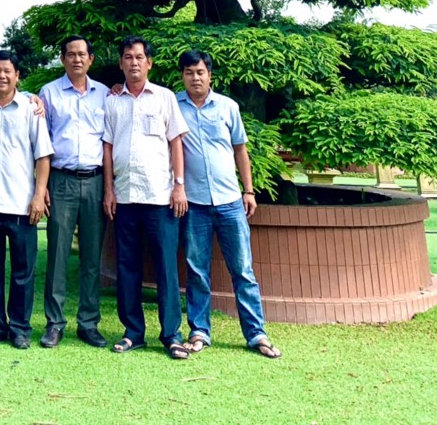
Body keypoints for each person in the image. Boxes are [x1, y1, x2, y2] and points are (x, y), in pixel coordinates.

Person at [176, 50, 281, 359]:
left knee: (243, 270)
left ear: (210, 75)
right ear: (182, 76)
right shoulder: (173, 106)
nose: (195, 78)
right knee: (196, 271)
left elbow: (240, 150)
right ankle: (199, 331)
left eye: (200, 72)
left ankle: (256, 333)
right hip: (193, 203)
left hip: (230, 202)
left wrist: (249, 191)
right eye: (189, 73)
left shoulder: (228, 107)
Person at [103, 36, 190, 358]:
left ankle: (171, 335)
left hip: (160, 198)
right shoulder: (113, 101)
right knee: (127, 267)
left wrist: (179, 185)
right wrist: (109, 190)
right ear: (121, 63)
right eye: (128, 57)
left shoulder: (165, 98)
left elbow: (176, 143)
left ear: (149, 63)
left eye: (139, 57)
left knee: (166, 268)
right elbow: (108, 147)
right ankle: (133, 332)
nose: (134, 62)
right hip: (125, 198)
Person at [0, 50, 53, 350]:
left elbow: (43, 155)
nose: (1, 76)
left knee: (23, 272)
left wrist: (39, 195)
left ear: (17, 75)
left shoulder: (30, 108)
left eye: (7, 71)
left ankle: (20, 328)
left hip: (22, 204)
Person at [39, 34, 108, 349]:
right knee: (57, 254)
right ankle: (54, 323)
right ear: (63, 59)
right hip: (61, 180)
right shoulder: (49, 93)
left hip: (95, 181)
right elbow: (41, 142)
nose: (77, 59)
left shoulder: (105, 94)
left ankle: (88, 323)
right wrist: (42, 186)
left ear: (90, 59)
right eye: (71, 54)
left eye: (82, 54)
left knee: (92, 256)